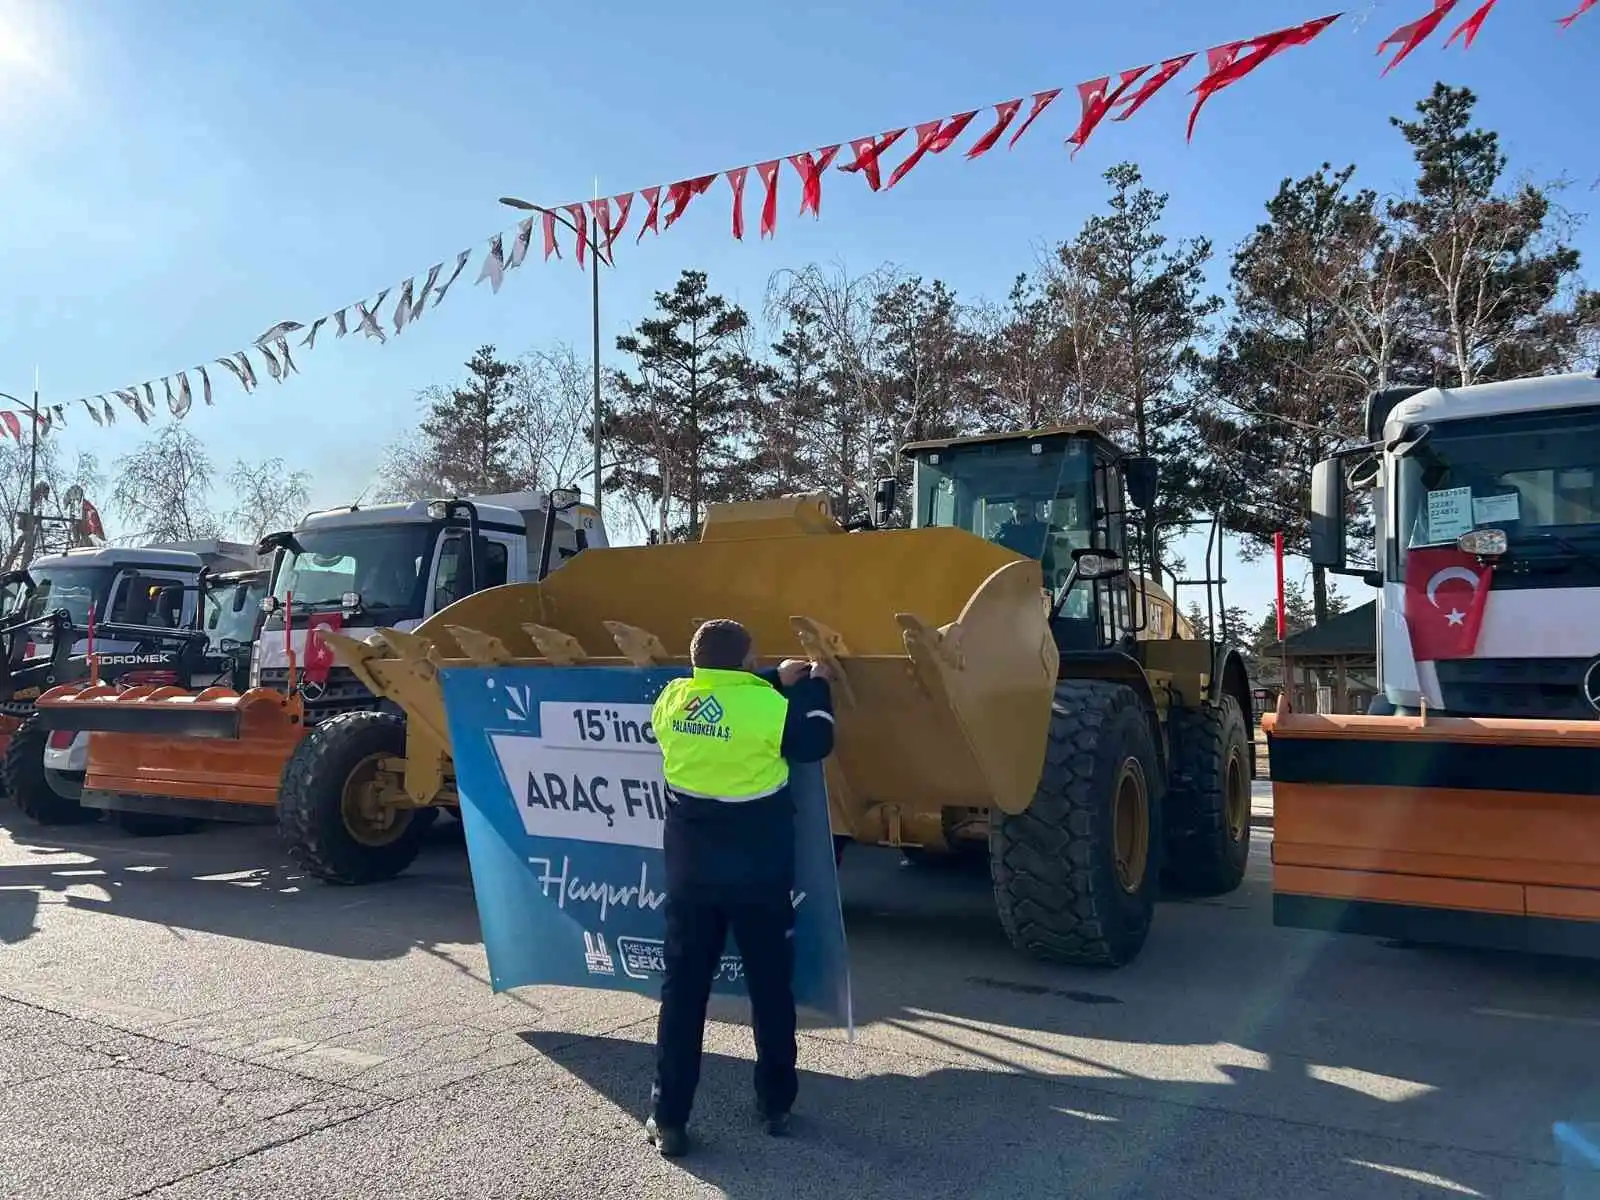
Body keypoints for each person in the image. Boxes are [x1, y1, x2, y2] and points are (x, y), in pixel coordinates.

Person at [644, 618, 837, 1158]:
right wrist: (817, 684)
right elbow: (815, 739)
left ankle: (669, 1117)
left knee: (682, 996)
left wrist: (773, 676)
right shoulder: (769, 710)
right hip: (759, 878)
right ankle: (775, 1104)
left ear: (696, 660)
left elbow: (723, 702)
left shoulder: (671, 702)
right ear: (747, 662)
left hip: (691, 879)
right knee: (770, 989)